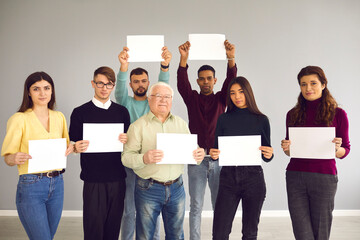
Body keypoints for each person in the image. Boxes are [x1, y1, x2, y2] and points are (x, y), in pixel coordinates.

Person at [122, 82, 205, 240]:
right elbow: (126, 157)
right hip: (148, 189)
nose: (163, 100)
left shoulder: (181, 124)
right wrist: (144, 158)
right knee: (145, 236)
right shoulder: (137, 127)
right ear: (149, 99)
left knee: (176, 235)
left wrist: (199, 154)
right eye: (158, 96)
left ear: (172, 100)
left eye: (167, 96)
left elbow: (194, 151)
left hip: (177, 188)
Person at [281, 66, 350, 240]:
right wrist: (287, 149)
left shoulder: (338, 114)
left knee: (321, 232)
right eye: (303, 84)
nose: (308, 88)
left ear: (324, 84)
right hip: (295, 176)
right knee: (301, 232)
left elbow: (345, 151)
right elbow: (291, 151)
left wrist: (336, 149)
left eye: (313, 83)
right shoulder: (292, 114)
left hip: (324, 177)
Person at [1, 72, 73, 240]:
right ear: (28, 92)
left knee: (48, 236)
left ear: (52, 90)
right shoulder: (19, 119)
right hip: (31, 185)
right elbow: (8, 157)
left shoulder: (59, 116)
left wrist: (73, 146)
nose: (42, 93)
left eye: (47, 88)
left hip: (57, 184)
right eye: (36, 89)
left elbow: (67, 145)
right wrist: (14, 158)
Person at [177, 40, 237, 240]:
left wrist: (231, 58)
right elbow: (181, 83)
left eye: (209, 79)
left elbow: (231, 79)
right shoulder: (191, 98)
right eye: (201, 79)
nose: (205, 82)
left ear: (215, 80)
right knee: (196, 206)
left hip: (219, 160)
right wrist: (183, 60)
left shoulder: (222, 98)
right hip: (196, 160)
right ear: (197, 81)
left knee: (220, 205)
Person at [115, 46, 171, 240]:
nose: (140, 84)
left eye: (144, 81)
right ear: (131, 84)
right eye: (136, 81)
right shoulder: (124, 101)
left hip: (152, 161)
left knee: (151, 209)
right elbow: (119, 87)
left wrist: (164, 66)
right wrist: (123, 67)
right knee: (129, 209)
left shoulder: (153, 103)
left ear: (149, 83)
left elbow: (163, 85)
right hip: (132, 161)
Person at [69, 66, 130, 240]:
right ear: (93, 84)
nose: (104, 88)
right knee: (93, 229)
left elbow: (130, 145)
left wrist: (127, 140)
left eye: (109, 84)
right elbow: (72, 144)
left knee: (113, 227)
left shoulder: (122, 112)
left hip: (117, 178)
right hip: (93, 179)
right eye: (100, 84)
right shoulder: (80, 112)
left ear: (113, 86)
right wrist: (75, 148)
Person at [210, 76, 274, 239]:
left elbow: (266, 156)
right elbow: (216, 152)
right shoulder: (223, 119)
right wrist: (214, 154)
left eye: (241, 92)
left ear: (248, 93)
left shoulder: (261, 120)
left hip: (254, 178)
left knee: (250, 233)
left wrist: (269, 154)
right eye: (232, 93)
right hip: (228, 178)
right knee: (219, 233)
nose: (237, 96)